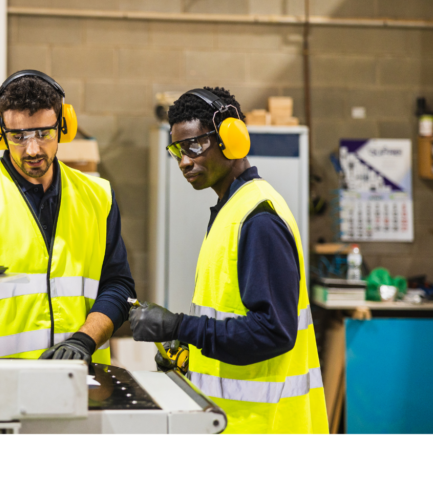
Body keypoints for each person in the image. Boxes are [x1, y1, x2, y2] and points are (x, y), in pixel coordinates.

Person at [128, 87, 328, 434]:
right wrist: (192, 356)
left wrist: (179, 326)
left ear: (231, 139)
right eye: (176, 151)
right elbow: (232, 321)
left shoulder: (259, 219)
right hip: (236, 424)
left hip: (267, 429)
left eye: (194, 146)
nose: (184, 161)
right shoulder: (231, 212)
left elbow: (273, 332)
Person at [0, 70, 136, 364]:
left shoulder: (98, 197)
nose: (32, 149)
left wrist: (85, 339)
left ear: (64, 127)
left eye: (44, 133)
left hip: (79, 379)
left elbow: (118, 285)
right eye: (18, 136)